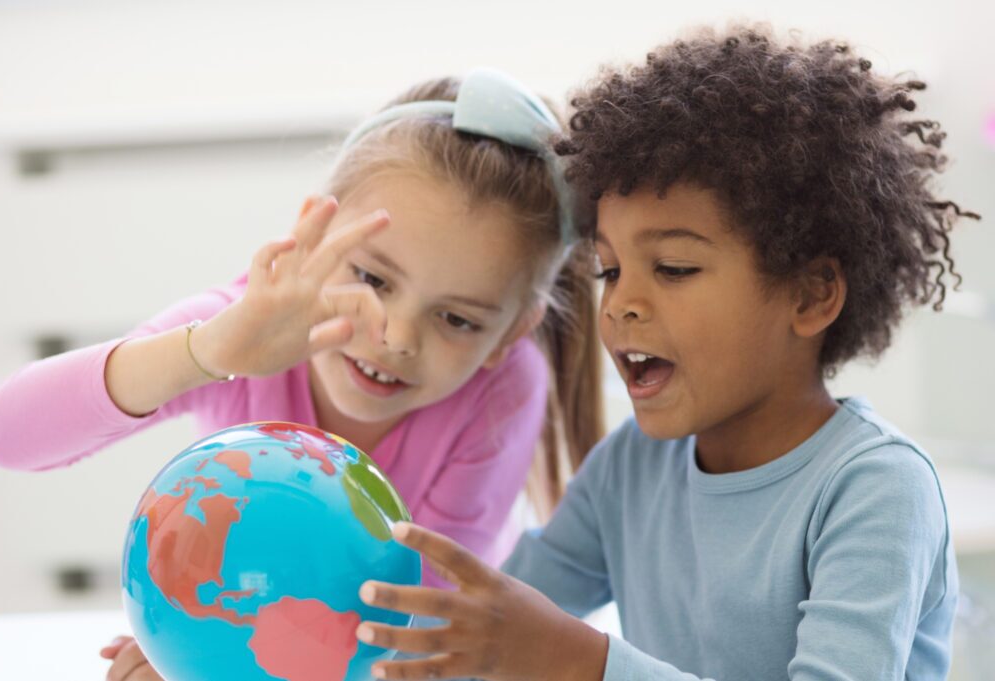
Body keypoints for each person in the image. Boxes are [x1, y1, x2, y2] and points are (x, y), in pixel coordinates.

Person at [353, 26, 978, 681]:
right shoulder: (629, 470)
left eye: (674, 267)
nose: (623, 303)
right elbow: (495, 615)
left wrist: (577, 659)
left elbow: (547, 642)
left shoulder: (877, 490)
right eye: (610, 270)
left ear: (811, 295)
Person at [0, 69, 604, 680]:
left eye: (457, 320)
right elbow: (4, 436)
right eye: (373, 278)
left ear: (513, 333)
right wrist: (205, 353)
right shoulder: (239, 328)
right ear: (313, 236)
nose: (396, 336)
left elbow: (413, 638)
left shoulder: (504, 389)